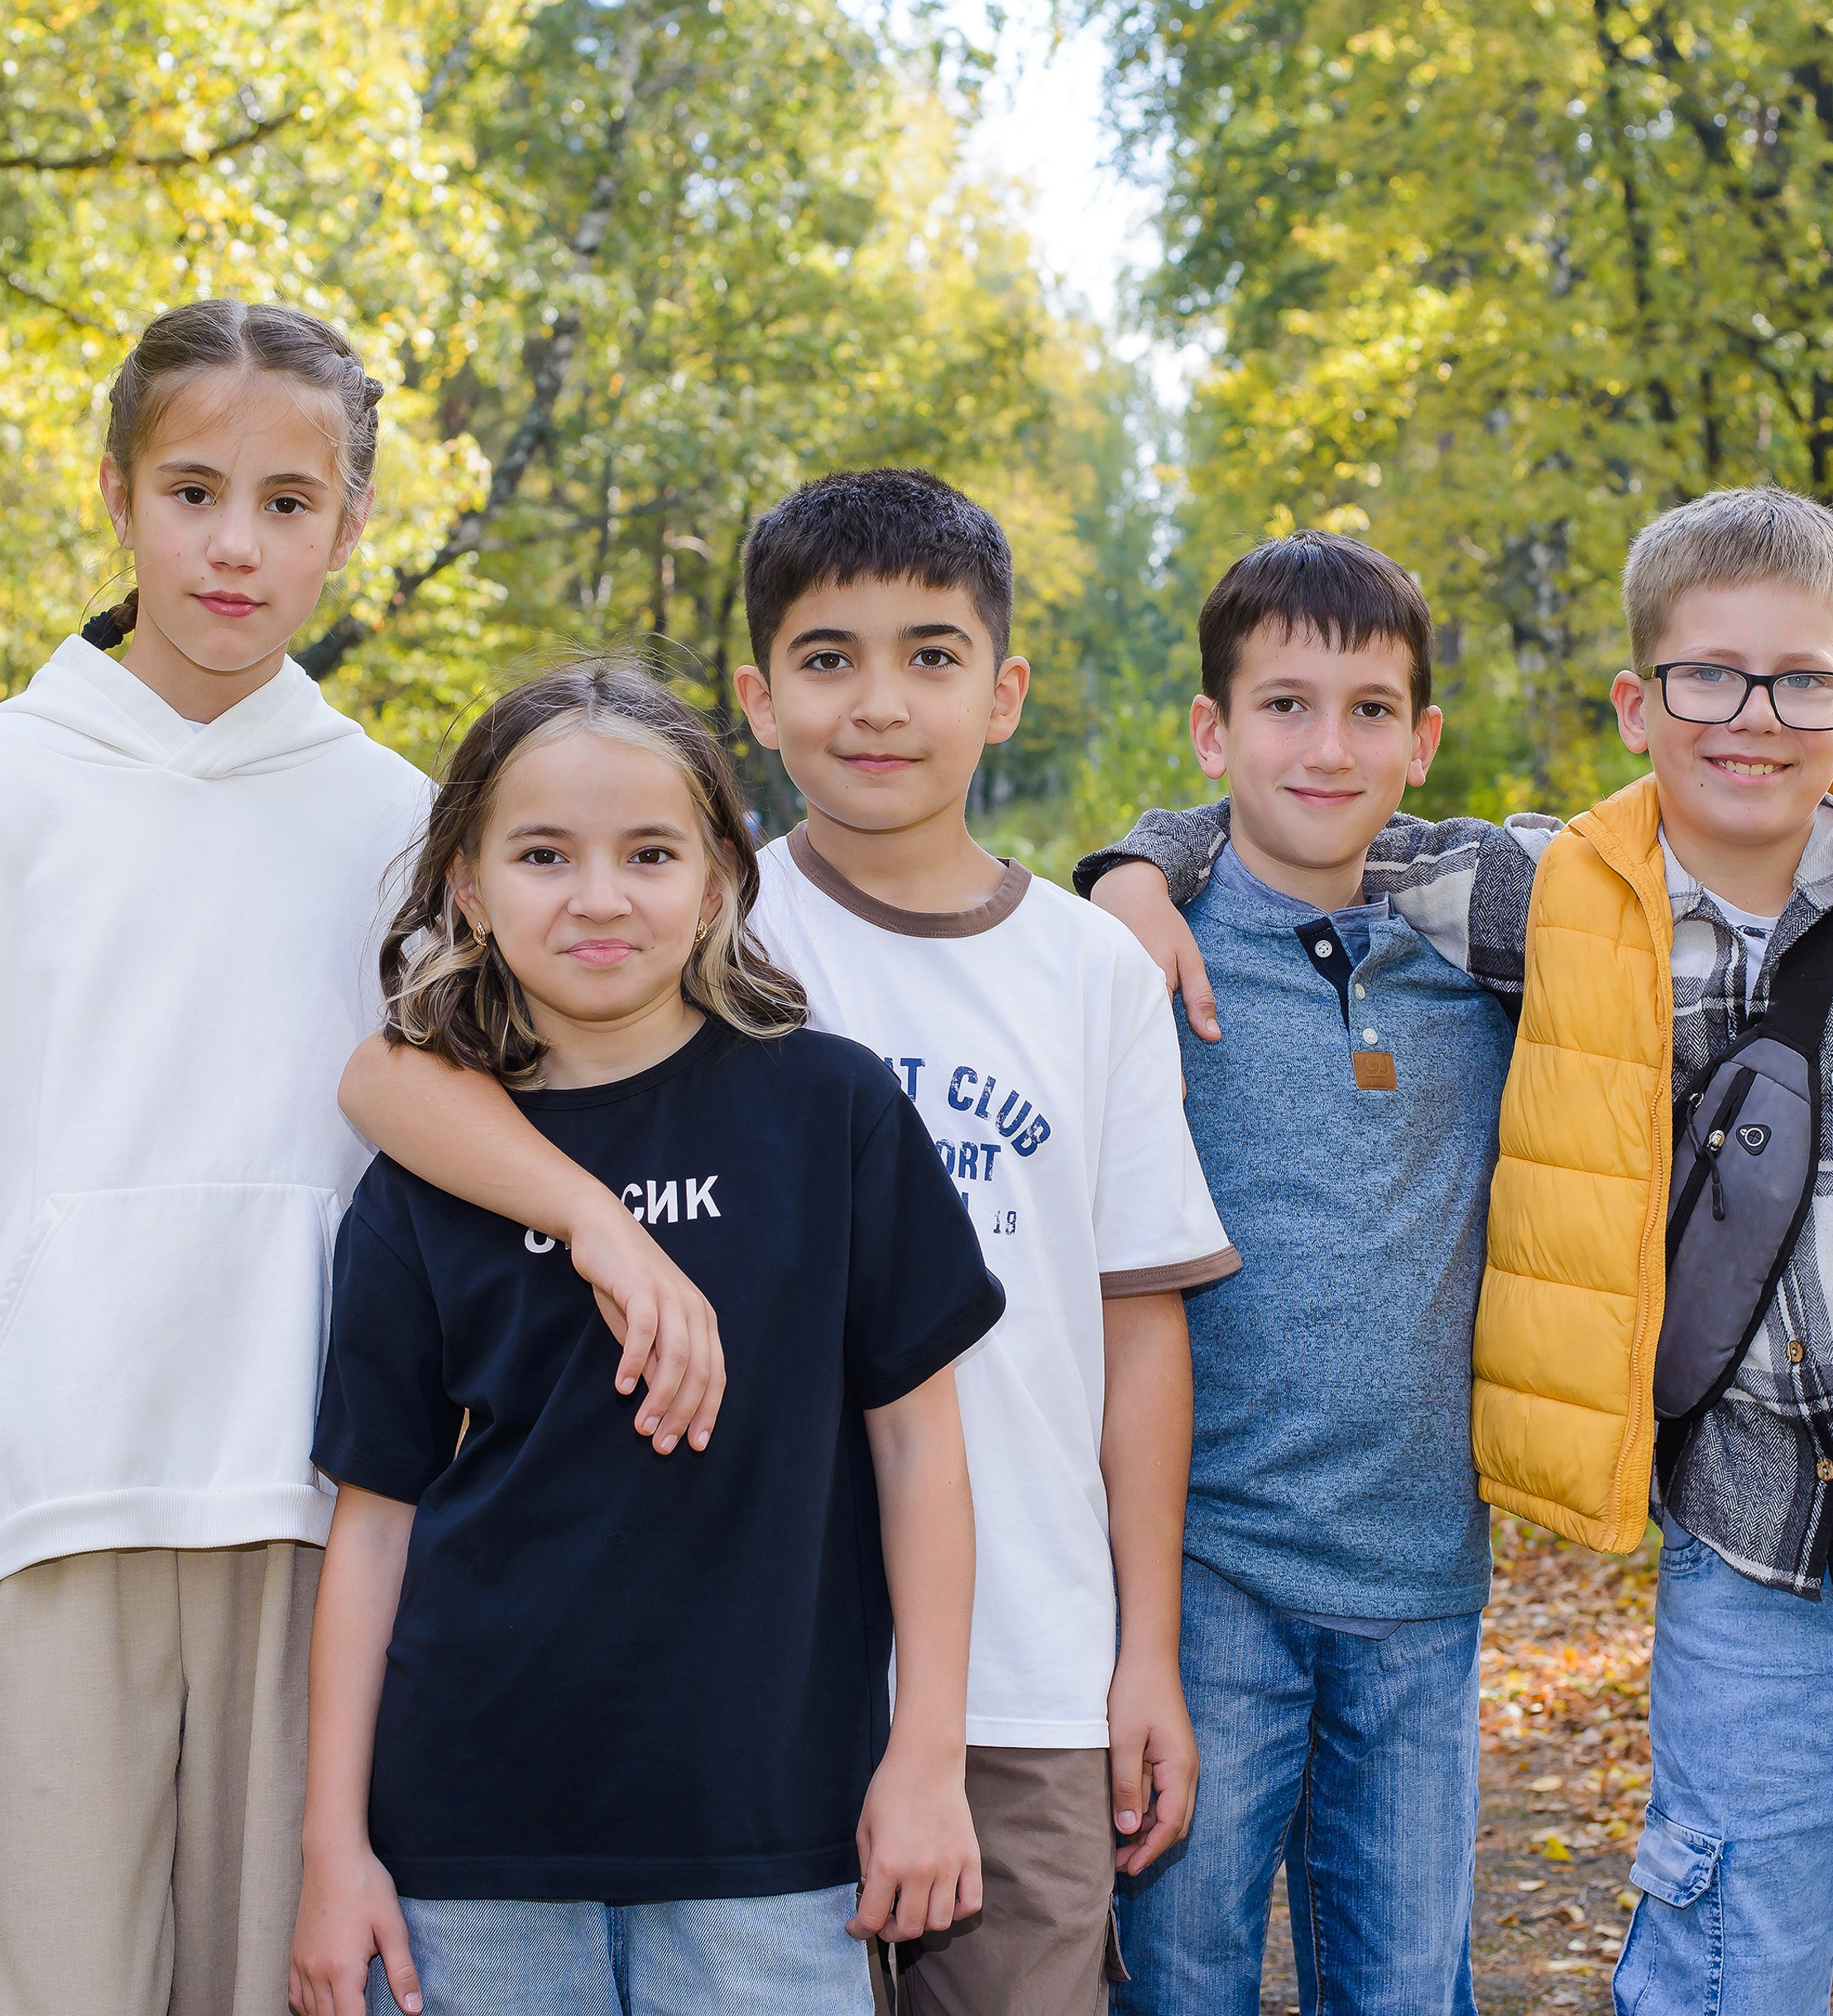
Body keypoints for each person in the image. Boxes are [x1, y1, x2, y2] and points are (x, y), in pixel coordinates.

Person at [1081, 486, 1833, 2012]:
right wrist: (1130, 866)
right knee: (1719, 1972)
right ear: (1638, 703)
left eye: (1802, 682)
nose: (1753, 718)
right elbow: (1306, 812)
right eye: (1707, 675)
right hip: (1753, 1550)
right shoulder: (1551, 896)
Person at [335, 467, 1237, 2016]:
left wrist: (1142, 1649)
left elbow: (1139, 1328)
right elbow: (394, 1073)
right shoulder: (702, 926)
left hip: (1018, 1658)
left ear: (1005, 691)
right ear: (758, 699)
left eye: (932, 657)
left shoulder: (1092, 966)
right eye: (830, 659)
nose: (879, 703)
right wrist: (601, 1226)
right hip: (740, 1694)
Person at [0, 300, 721, 2016]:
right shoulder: (17, 779)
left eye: (288, 500)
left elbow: (426, 1083)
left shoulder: (394, 815)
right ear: (113, 493)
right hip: (47, 1486)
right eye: (191, 490)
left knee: (287, 1974)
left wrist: (603, 1223)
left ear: (353, 521)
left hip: (314, 1495)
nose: (235, 542)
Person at [288, 663, 998, 2016]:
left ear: (721, 882)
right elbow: (373, 1526)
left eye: (650, 853)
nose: (599, 896)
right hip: (468, 1849)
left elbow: (920, 1455)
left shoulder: (830, 1115)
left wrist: (926, 1760)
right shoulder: (427, 1176)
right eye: (545, 854)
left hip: (774, 1841)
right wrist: (336, 1851)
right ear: (468, 891)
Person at [1090, 530, 1509, 2016]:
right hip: (1206, 1578)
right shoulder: (1136, 958)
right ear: (1213, 731)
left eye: (1371, 710)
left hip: (1420, 1581)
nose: (1326, 748)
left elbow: (1702, 841)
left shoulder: (1491, 953)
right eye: (1282, 706)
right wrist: (1139, 868)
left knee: (1402, 1985)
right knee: (1178, 1977)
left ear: (1423, 739)